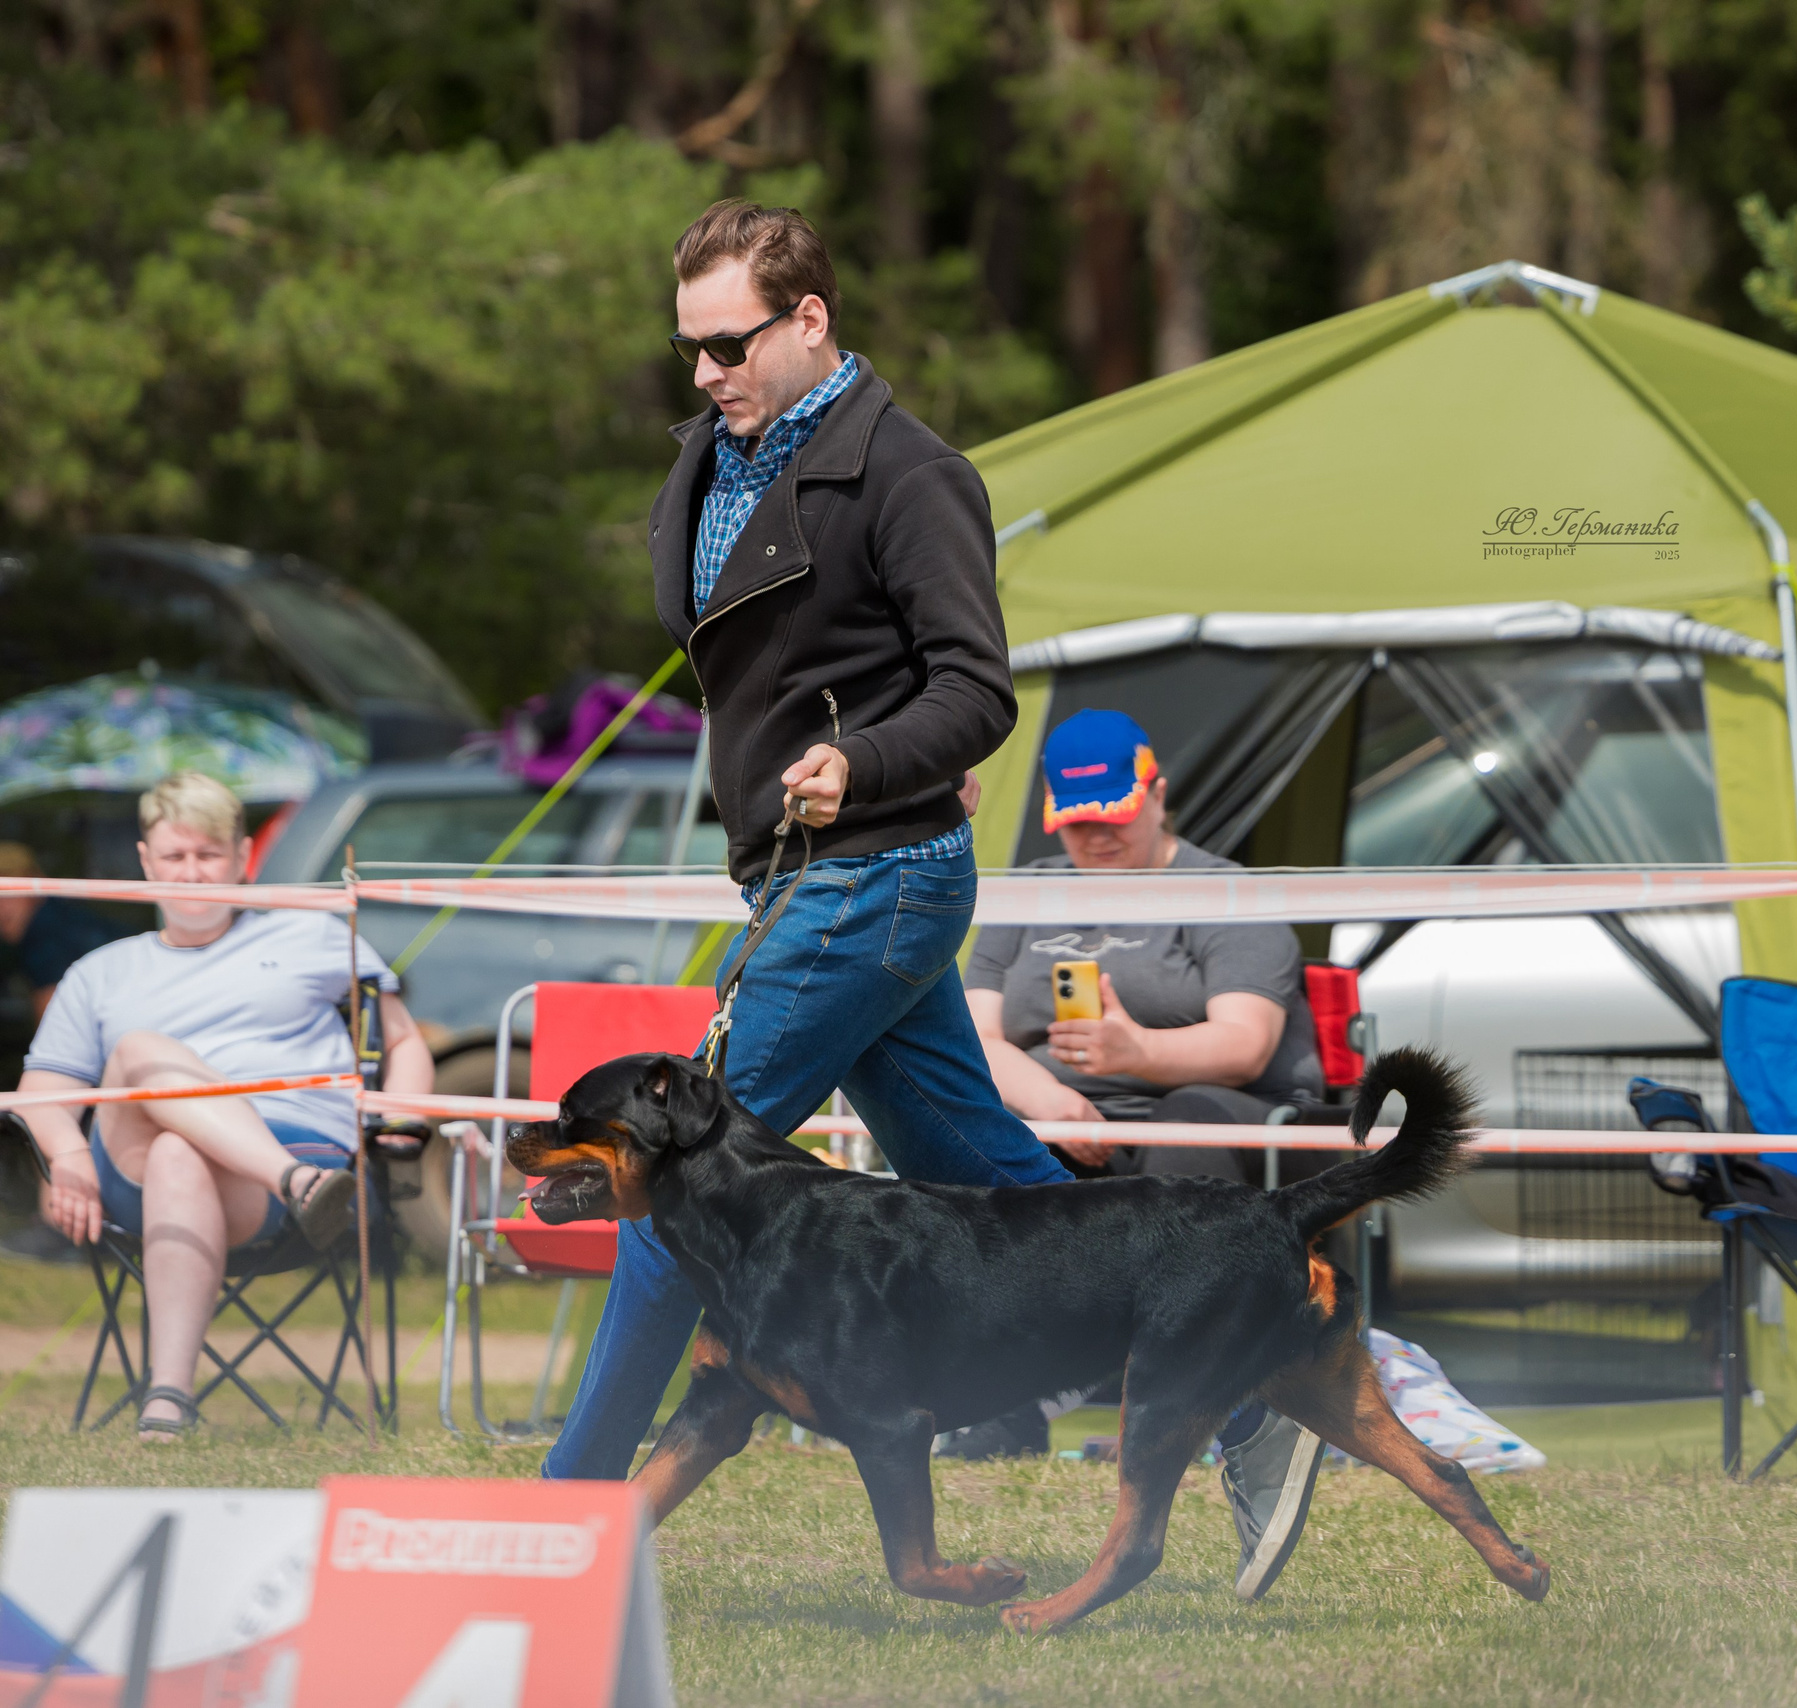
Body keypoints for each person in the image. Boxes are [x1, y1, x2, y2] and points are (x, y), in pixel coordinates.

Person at [540, 198, 1074, 1482]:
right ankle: (1235, 1373)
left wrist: (866, 757)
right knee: (993, 1177)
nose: (709, 372)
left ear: (811, 319)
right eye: (691, 350)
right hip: (805, 881)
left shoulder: (911, 473)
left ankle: (564, 1510)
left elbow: (979, 688)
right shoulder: (711, 459)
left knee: (679, 1189)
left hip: (875, 875)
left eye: (731, 344)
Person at [960, 708, 1331, 1601]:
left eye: (1113, 815)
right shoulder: (1028, 894)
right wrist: (1047, 1097)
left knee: (1189, 1131)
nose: (1094, 836)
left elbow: (1247, 1042)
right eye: (1075, 821)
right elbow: (972, 1035)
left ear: (1158, 793)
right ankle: (992, 1398)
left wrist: (1137, 1056)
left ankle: (1223, 1407)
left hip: (1197, 1120)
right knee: (963, 1134)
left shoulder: (1223, 891)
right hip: (1058, 1125)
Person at [12, 772, 436, 1441]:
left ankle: (168, 1399)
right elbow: (40, 1092)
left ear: (242, 858)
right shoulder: (99, 972)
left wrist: (406, 1119)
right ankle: (294, 1182)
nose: (192, 873)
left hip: (300, 1147)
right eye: (174, 857)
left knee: (181, 1149)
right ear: (146, 863)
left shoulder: (314, 936)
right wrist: (65, 1154)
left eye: (208, 855)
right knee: (140, 1050)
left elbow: (404, 1039)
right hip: (172, 1176)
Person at [0, 841, 132, 1021]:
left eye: (8, 892)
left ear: (35, 882)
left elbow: (52, 1023)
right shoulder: (60, 915)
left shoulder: (43, 935)